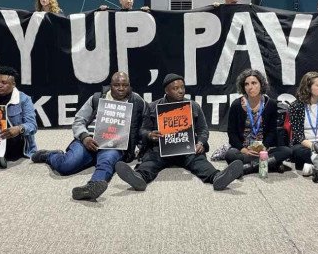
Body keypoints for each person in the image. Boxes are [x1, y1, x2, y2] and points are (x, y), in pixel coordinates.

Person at [115, 73, 243, 192]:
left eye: (182, 87)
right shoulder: (153, 106)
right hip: (160, 148)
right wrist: (149, 135)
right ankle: (139, 178)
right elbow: (142, 130)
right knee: (150, 162)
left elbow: (203, 129)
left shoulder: (193, 106)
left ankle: (217, 177)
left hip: (185, 148)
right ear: (166, 91)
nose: (181, 91)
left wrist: (201, 142)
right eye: (175, 88)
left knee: (198, 161)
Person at [31, 72, 146, 201]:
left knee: (106, 162)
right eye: (116, 85)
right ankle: (49, 155)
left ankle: (92, 187)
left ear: (129, 86)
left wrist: (141, 148)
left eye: (125, 85)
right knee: (66, 166)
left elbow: (144, 126)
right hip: (88, 141)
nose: (121, 88)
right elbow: (79, 120)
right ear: (110, 85)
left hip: (114, 144)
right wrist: (85, 137)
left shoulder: (137, 102)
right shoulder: (97, 98)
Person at [225, 69, 292, 174]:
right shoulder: (237, 105)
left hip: (263, 148)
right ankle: (271, 163)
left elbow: (271, 131)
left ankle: (246, 169)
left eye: (254, 83)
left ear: (261, 84)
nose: (250, 87)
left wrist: (264, 147)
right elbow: (231, 132)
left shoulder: (271, 104)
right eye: (246, 84)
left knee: (287, 151)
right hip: (244, 148)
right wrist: (244, 150)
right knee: (230, 155)